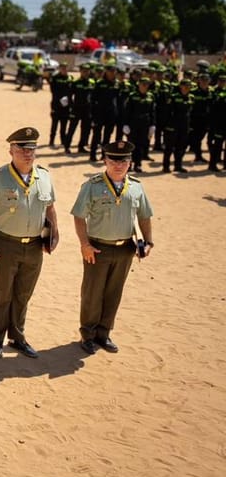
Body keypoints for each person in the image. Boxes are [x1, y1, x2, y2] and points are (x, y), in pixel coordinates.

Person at [0, 127, 57, 359]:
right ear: (10, 150)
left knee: (23, 293)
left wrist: (54, 234)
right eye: (21, 148)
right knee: (2, 293)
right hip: (5, 245)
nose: (27, 153)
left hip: (34, 246)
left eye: (32, 148)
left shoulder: (44, 177)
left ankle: (17, 336)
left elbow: (50, 208)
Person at [71, 140, 154, 355]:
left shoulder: (136, 187)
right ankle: (87, 335)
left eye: (124, 161)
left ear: (130, 162)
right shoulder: (92, 186)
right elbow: (79, 217)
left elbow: (144, 216)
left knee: (113, 293)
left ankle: (103, 333)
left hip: (125, 249)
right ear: (105, 160)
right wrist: (85, 244)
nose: (119, 165)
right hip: (97, 249)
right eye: (114, 160)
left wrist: (148, 240)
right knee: (92, 293)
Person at [123, 77, 156, 173]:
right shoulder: (132, 96)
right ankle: (129, 165)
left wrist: (152, 125)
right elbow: (127, 111)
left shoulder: (150, 96)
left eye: (146, 85)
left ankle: (138, 164)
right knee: (130, 145)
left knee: (141, 145)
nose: (144, 87)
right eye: (143, 84)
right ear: (139, 85)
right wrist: (125, 124)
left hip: (145, 124)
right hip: (133, 124)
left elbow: (152, 112)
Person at [162, 78, 193, 173]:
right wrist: (167, 126)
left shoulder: (191, 97)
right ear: (180, 87)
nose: (186, 88)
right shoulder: (173, 97)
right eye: (185, 86)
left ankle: (178, 165)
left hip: (184, 126)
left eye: (188, 86)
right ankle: (166, 166)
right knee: (169, 147)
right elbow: (166, 112)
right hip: (172, 126)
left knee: (181, 147)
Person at [47, 63, 74, 150]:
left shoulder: (70, 78)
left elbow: (72, 91)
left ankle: (63, 141)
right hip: (56, 104)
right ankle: (51, 141)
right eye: (62, 68)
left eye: (65, 68)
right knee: (54, 124)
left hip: (66, 106)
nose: (64, 69)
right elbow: (53, 91)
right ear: (59, 69)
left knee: (64, 125)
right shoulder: (55, 78)